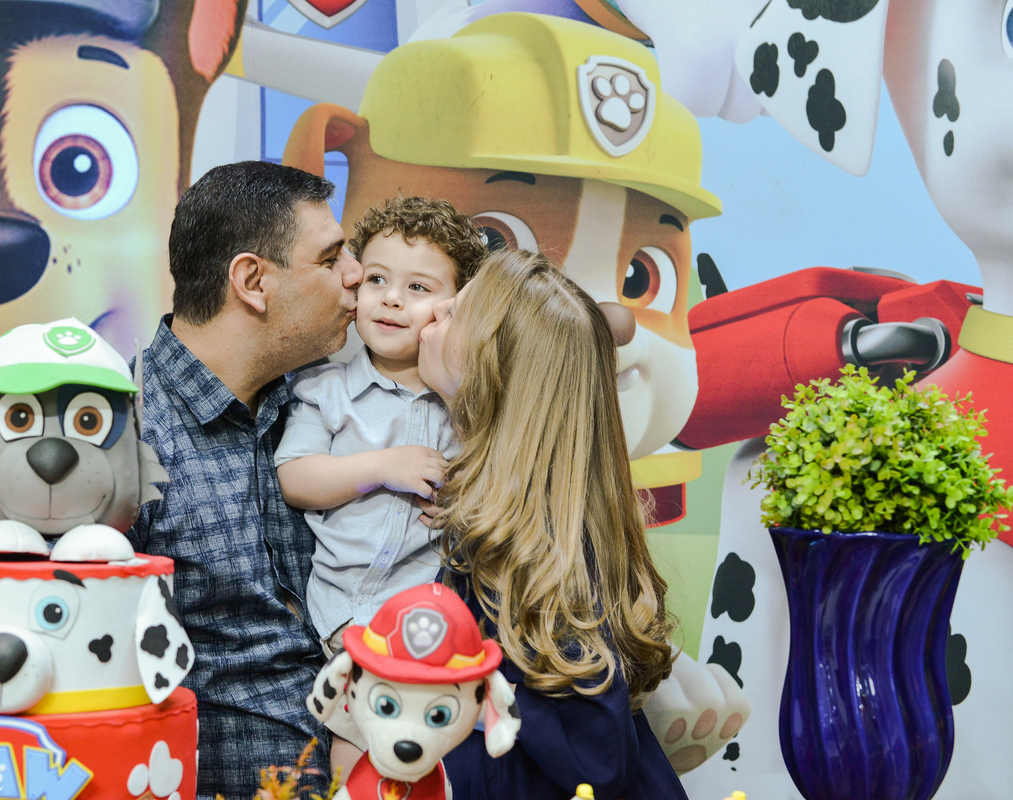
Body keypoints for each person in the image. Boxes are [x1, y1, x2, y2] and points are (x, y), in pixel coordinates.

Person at [128, 160, 363, 800]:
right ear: (253, 281)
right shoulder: (124, 431)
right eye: (331, 257)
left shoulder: (332, 407)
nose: (357, 275)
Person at [418, 249, 687, 800]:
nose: (435, 308)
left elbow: (594, 753)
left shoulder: (524, 550)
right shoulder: (530, 522)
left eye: (455, 312)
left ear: (493, 369)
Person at [273, 196, 486, 772]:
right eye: (377, 279)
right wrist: (379, 466)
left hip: (425, 619)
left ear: (456, 307)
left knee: (424, 743)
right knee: (357, 733)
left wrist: (465, 506)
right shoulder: (326, 389)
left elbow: (495, 488)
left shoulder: (465, 406)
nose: (391, 298)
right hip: (339, 609)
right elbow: (294, 476)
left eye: (419, 289)